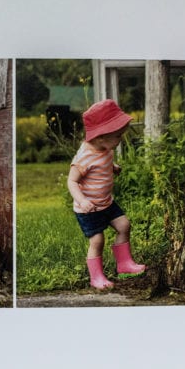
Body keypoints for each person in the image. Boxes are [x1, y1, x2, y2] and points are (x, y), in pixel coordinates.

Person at [67, 99, 147, 290]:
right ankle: (96, 277)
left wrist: (113, 167)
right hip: (89, 208)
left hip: (106, 203)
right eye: (118, 136)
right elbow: (71, 181)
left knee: (124, 225)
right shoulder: (84, 157)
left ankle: (124, 264)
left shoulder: (105, 148)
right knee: (97, 240)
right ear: (101, 136)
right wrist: (82, 200)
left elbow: (103, 162)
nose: (121, 139)